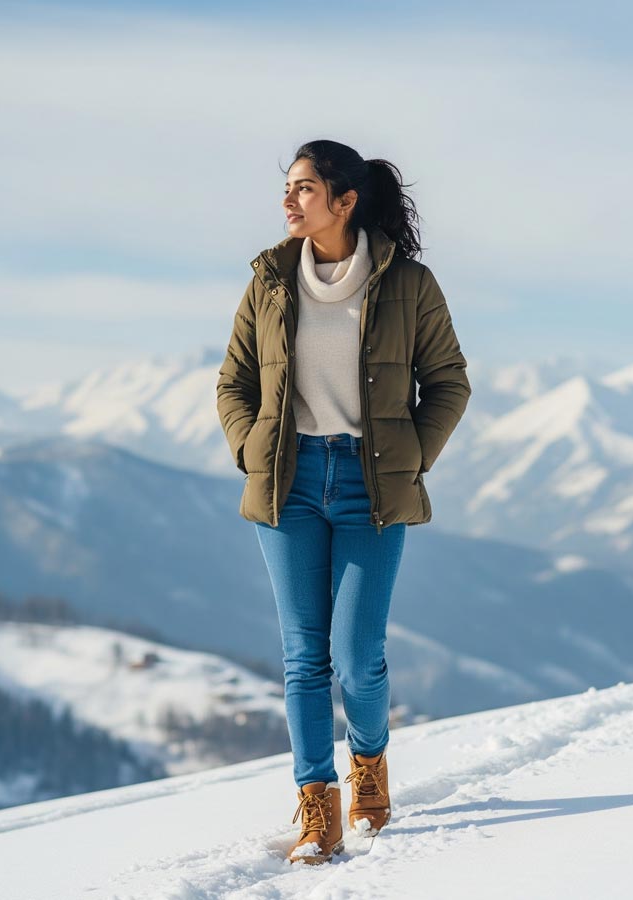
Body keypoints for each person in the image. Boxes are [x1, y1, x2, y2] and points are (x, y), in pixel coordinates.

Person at [216, 139, 471, 865]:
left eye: (304, 187)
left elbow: (448, 382)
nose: (288, 200)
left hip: (372, 486)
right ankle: (316, 806)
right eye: (288, 187)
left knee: (357, 657)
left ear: (345, 200)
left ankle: (369, 759)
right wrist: (253, 450)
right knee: (304, 656)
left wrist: (410, 456)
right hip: (288, 483)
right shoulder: (269, 280)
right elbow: (234, 383)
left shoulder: (408, 284)